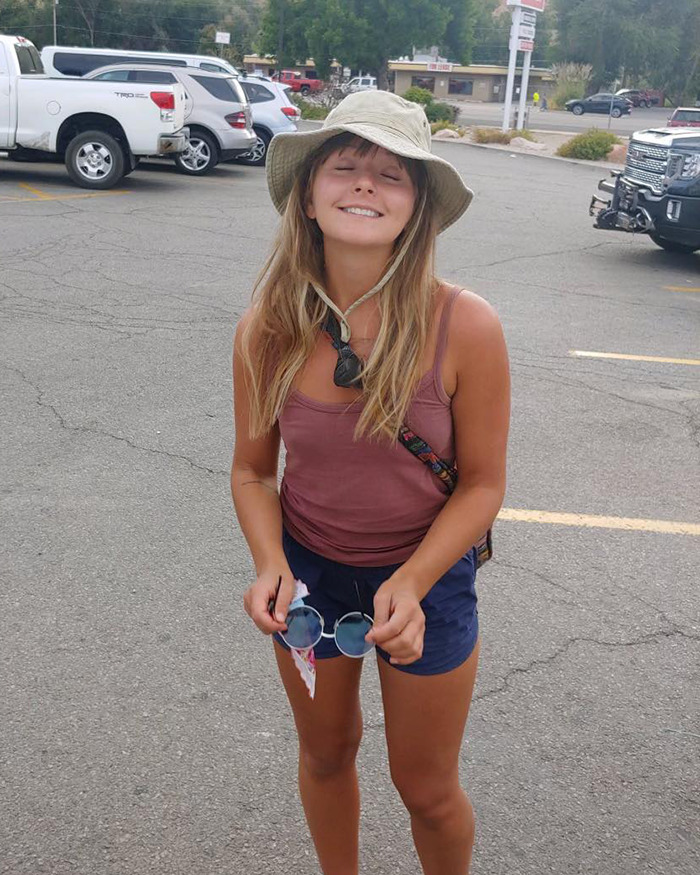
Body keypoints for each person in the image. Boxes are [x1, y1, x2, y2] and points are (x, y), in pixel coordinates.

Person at [231, 91, 510, 875]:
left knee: (425, 787)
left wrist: (416, 582)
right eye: (345, 166)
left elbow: (483, 485)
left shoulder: (467, 325)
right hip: (310, 573)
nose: (364, 185)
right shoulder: (267, 328)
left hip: (427, 578)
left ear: (417, 203)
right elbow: (253, 469)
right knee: (326, 755)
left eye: (391, 174)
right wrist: (269, 562)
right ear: (310, 196)